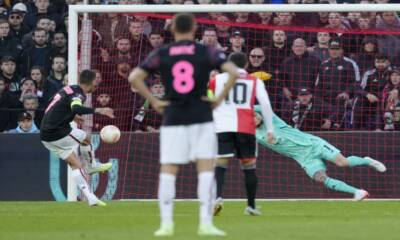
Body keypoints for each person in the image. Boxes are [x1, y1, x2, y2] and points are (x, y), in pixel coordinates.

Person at [128, 13, 239, 237]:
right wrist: (218, 99)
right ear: (195, 28)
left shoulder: (162, 52)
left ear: (172, 29)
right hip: (202, 114)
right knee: (206, 170)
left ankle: (166, 224)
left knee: (169, 169)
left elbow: (134, 77)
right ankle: (205, 224)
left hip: (173, 116)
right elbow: (233, 71)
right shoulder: (205, 51)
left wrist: (155, 100)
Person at [254, 106, 386, 200]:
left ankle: (368, 160)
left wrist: (244, 107)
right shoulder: (255, 134)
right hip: (304, 158)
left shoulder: (272, 120)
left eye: (255, 114)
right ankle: (358, 192)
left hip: (314, 144)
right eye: (252, 117)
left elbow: (262, 107)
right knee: (320, 178)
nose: (255, 117)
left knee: (343, 163)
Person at [210, 52, 275, 216]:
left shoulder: (216, 80)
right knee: (249, 167)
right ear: (246, 65)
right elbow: (265, 104)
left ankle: (217, 197)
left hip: (223, 126)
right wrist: (270, 129)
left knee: (220, 163)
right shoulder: (255, 81)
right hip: (246, 127)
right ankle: (251, 206)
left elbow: (208, 99)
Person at [40, 70, 115, 206]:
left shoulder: (67, 89)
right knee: (86, 137)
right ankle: (92, 165)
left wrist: (73, 116)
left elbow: (54, 105)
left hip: (45, 135)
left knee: (75, 164)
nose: (96, 87)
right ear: (92, 82)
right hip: (56, 132)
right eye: (96, 84)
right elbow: (76, 107)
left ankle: (90, 198)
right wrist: (99, 110)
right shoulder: (78, 94)